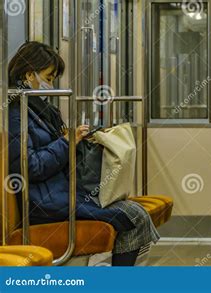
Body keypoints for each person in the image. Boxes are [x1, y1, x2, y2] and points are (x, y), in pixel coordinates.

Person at [8, 41, 159, 266]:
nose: (51, 85)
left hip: (61, 192)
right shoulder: (16, 114)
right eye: (48, 78)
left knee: (135, 212)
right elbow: (30, 167)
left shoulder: (40, 110)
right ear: (29, 75)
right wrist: (67, 142)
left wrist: (79, 140)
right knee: (134, 217)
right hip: (45, 202)